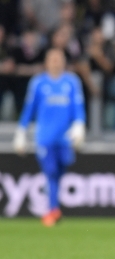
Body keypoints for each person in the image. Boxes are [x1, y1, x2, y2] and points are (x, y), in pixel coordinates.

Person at [13, 48, 86, 227]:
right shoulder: (38, 83)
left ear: (63, 61)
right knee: (51, 173)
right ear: (46, 61)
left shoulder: (71, 81)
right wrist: (21, 132)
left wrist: (79, 125)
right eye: (52, 59)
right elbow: (29, 109)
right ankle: (53, 211)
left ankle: (53, 208)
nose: (55, 62)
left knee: (60, 172)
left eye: (59, 58)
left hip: (65, 139)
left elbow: (78, 107)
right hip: (44, 137)